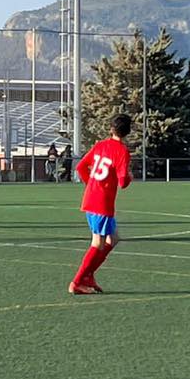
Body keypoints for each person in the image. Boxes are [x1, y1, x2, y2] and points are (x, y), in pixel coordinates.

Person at [69, 114, 134, 295]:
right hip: (101, 203)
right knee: (97, 243)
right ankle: (77, 281)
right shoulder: (121, 151)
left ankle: (88, 275)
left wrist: (91, 184)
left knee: (113, 239)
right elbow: (122, 182)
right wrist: (129, 177)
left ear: (111, 128)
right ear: (128, 131)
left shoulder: (100, 146)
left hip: (92, 197)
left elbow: (81, 167)